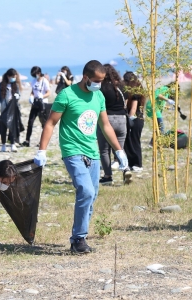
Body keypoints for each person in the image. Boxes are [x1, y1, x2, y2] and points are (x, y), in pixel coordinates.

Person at [34, 60, 129, 253]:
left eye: (102, 81)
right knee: (85, 191)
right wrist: (42, 150)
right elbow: (51, 123)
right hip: (72, 151)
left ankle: (81, 238)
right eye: (96, 80)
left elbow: (105, 125)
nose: (99, 84)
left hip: (92, 154)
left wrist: (119, 151)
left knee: (92, 195)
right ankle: (78, 239)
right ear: (85, 77)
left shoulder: (98, 96)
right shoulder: (66, 95)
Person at [97, 64, 132, 186]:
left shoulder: (102, 88)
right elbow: (125, 103)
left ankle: (108, 176)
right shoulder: (122, 86)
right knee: (119, 149)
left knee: (104, 150)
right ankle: (126, 169)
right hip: (122, 120)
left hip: (107, 120)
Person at [0, 69, 23, 152]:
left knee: (12, 127)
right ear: (8, 76)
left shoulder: (15, 85)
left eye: (15, 77)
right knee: (3, 128)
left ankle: (12, 144)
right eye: (12, 77)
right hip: (3, 109)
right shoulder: (1, 85)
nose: (14, 78)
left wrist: (18, 96)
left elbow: (18, 95)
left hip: (13, 109)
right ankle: (3, 144)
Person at [20, 66, 50, 147]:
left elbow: (48, 93)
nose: (34, 76)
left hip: (42, 104)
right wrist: (31, 96)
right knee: (30, 122)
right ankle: (27, 140)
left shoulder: (45, 81)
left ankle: (43, 142)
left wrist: (42, 96)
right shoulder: (34, 81)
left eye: (35, 74)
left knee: (43, 123)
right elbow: (33, 91)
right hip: (35, 103)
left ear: (39, 73)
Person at [123, 71, 146, 172]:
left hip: (135, 119)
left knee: (134, 141)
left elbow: (133, 108)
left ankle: (137, 164)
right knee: (129, 141)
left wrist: (128, 118)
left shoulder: (135, 92)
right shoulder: (137, 90)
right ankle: (131, 163)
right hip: (136, 118)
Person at [146, 82, 176, 146]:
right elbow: (159, 95)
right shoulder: (165, 88)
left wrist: (169, 108)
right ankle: (159, 143)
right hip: (153, 108)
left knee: (157, 126)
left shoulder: (166, 92)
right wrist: (168, 100)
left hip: (154, 108)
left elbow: (161, 105)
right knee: (161, 127)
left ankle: (152, 143)